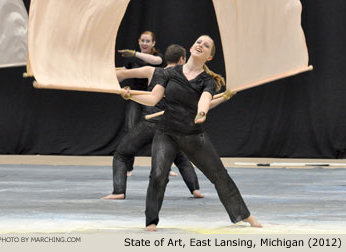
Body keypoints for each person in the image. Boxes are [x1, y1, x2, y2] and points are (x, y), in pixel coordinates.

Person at [121, 35, 262, 231]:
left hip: (193, 135)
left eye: (206, 45)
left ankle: (244, 215)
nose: (200, 45)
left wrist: (202, 112)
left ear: (209, 57)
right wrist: (131, 96)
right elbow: (153, 99)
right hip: (167, 132)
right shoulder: (168, 73)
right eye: (198, 42)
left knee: (219, 175)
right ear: (191, 46)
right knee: (158, 175)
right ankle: (151, 221)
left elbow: (204, 100)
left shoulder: (208, 81)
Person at [102, 45, 204, 200]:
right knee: (181, 157)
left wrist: (104, 77)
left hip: (149, 125)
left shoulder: (152, 71)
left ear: (166, 59)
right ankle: (195, 190)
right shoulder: (187, 79)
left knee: (121, 155)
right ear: (182, 59)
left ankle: (118, 191)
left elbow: (122, 74)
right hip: (172, 126)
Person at [118, 31, 165, 175]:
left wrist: (134, 53)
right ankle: (128, 166)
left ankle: (164, 166)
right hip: (136, 97)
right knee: (130, 128)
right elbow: (121, 75)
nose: (144, 43)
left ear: (153, 43)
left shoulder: (158, 58)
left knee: (161, 132)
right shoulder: (132, 60)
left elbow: (155, 62)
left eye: (147, 41)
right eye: (142, 41)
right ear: (138, 41)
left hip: (153, 98)